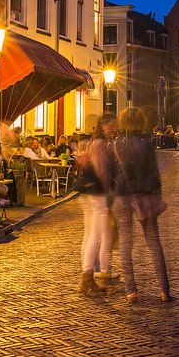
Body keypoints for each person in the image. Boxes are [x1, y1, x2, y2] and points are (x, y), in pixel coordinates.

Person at [113, 107, 171, 304]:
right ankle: (164, 291)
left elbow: (113, 173)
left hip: (122, 195)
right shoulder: (146, 144)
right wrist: (157, 193)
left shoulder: (116, 144)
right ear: (141, 121)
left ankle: (131, 291)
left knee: (125, 244)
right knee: (154, 243)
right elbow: (154, 171)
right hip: (145, 195)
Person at [73, 115, 115, 295]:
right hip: (97, 193)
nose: (113, 129)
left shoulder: (90, 143)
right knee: (95, 236)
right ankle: (87, 277)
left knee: (89, 234)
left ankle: (87, 273)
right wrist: (110, 192)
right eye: (110, 126)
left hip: (87, 192)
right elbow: (102, 171)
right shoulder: (100, 145)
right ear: (103, 126)